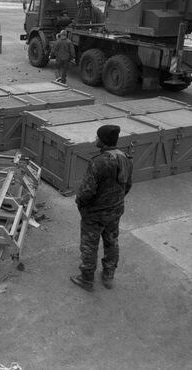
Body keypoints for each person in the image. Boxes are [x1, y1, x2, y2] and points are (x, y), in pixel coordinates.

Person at [71, 124, 133, 291]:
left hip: (95, 214)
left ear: (103, 141)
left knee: (89, 245)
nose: (96, 139)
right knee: (111, 241)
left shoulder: (98, 163)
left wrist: (80, 204)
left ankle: (86, 279)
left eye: (98, 137)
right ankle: (108, 275)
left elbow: (86, 192)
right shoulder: (125, 158)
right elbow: (127, 185)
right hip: (116, 211)